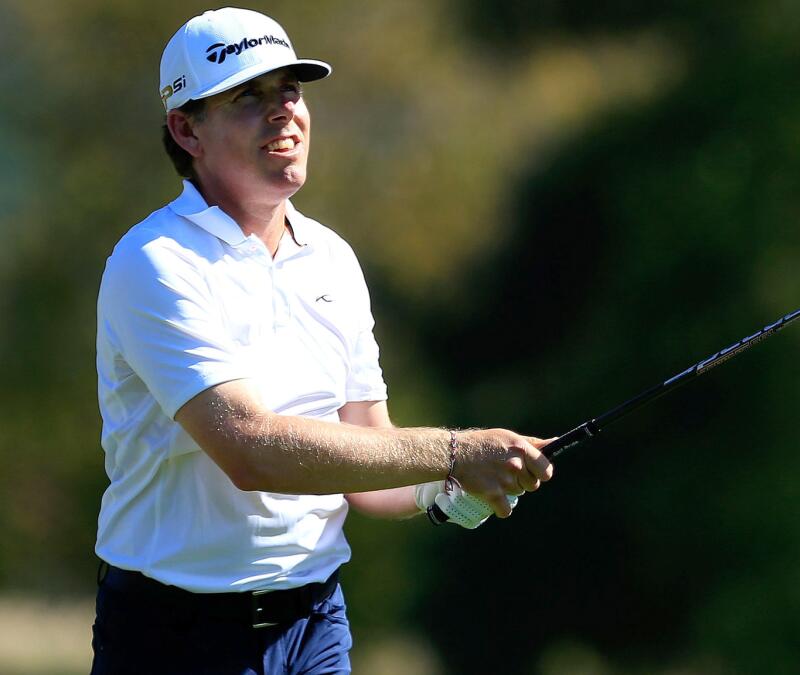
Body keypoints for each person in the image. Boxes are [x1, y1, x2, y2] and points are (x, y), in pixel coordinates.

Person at [92, 8, 553, 673]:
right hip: (173, 632)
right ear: (186, 129)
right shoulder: (155, 261)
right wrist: (453, 449)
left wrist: (450, 486)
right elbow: (252, 449)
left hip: (313, 622)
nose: (283, 112)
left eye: (289, 90)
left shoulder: (332, 258)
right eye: (249, 96)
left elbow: (369, 456)